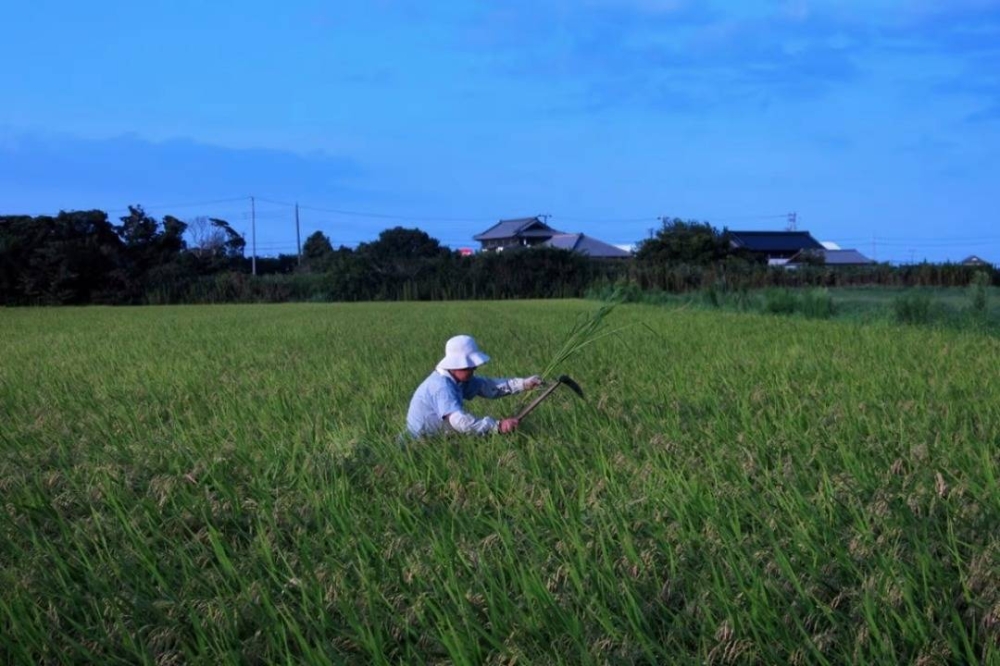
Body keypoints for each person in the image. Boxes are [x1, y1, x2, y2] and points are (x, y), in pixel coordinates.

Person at [405, 334, 542, 438]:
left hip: (438, 438)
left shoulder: (458, 379)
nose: (474, 369)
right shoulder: (441, 387)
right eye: (470, 367)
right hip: (419, 442)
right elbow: (459, 421)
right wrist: (497, 427)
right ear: (456, 365)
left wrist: (523, 384)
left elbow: (488, 387)